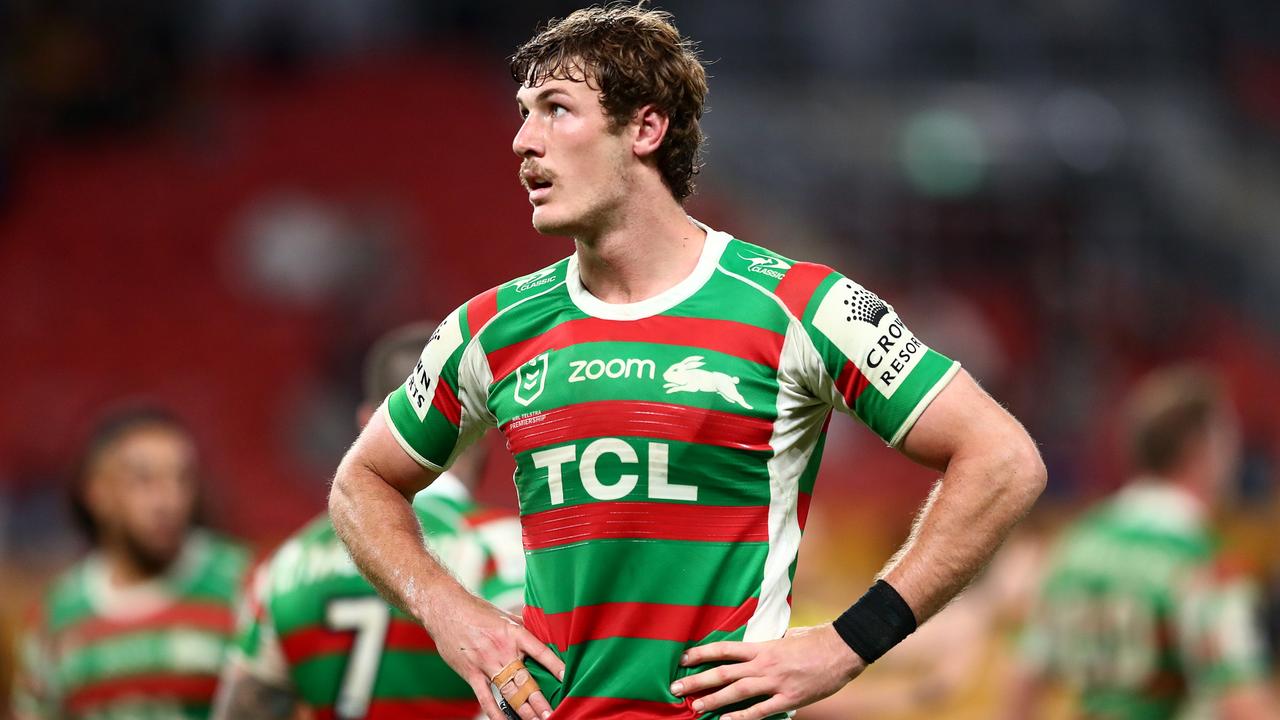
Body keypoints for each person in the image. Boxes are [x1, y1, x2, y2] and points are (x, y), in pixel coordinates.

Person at [328, 6, 1046, 720]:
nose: (522, 141)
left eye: (556, 109)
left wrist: (847, 643)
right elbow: (361, 483)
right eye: (523, 113)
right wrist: (449, 612)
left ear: (644, 128)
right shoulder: (489, 328)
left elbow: (1002, 459)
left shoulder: (799, 304)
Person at [212, 323, 523, 720]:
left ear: (367, 423)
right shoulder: (500, 545)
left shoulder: (285, 564)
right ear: (482, 422)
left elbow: (243, 710)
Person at [1006, 366, 1280, 720]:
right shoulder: (1204, 567)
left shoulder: (1075, 547)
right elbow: (1244, 704)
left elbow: (1023, 682)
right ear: (1202, 449)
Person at [13, 406, 250, 719]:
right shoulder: (55, 616)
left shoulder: (244, 584)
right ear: (97, 493)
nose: (169, 499)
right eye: (144, 480)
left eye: (182, 478)